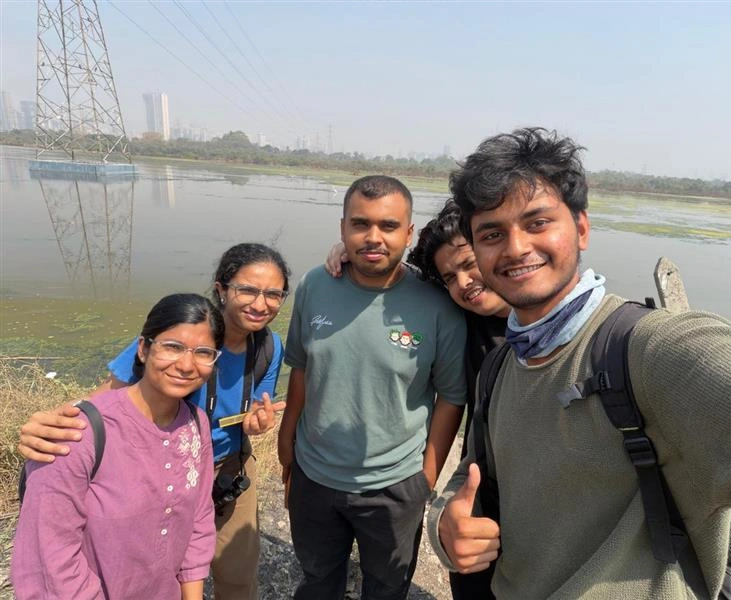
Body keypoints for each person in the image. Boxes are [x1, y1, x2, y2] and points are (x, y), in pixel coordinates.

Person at [428, 127, 731, 599]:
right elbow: (475, 473)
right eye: (492, 234)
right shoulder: (501, 367)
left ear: (581, 228)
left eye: (537, 222)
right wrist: (445, 525)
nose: (516, 247)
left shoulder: (653, 349)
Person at [17, 243, 291, 600]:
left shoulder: (268, 347)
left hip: (228, 465)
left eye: (274, 294)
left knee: (237, 570)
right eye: (248, 290)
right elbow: (109, 394)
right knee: (147, 560)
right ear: (222, 289)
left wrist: (257, 423)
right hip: (158, 464)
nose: (260, 304)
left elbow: (256, 405)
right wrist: (60, 422)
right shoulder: (182, 331)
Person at [278, 175, 468, 599]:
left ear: (408, 233)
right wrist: (287, 444)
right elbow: (301, 368)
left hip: (394, 483)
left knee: (386, 588)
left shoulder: (438, 304)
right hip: (315, 476)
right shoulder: (314, 285)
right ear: (343, 228)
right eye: (360, 224)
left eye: (388, 226)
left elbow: (451, 397)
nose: (373, 237)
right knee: (318, 580)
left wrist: (425, 479)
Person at [326, 199, 510, 599]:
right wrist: (354, 254)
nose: (464, 283)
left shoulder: (543, 326)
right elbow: (410, 283)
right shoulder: (463, 315)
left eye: (470, 264)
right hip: (483, 489)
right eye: (451, 277)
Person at [12, 293, 220, 599]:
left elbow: (199, 522)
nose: (187, 365)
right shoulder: (77, 432)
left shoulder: (196, 424)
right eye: (172, 347)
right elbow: (50, 557)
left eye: (203, 352)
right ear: (143, 349)